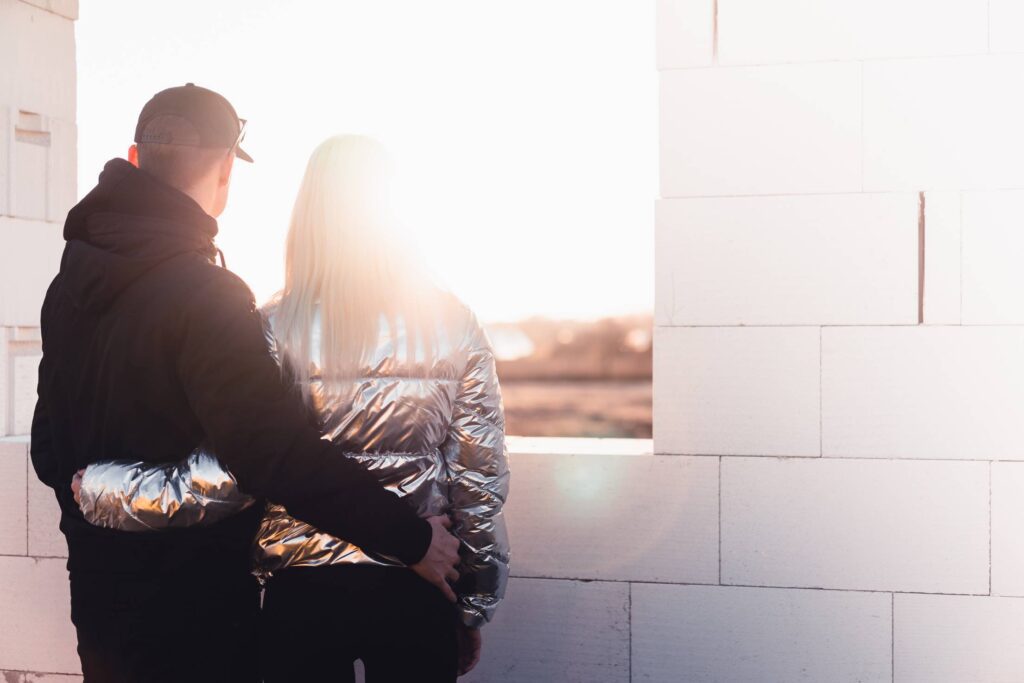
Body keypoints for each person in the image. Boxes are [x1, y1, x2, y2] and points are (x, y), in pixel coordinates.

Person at [31, 85, 460, 683]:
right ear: (227, 168)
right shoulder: (208, 295)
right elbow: (268, 454)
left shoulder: (65, 289)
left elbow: (47, 448)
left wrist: (99, 503)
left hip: (99, 602)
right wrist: (411, 539)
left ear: (133, 159)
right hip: (197, 611)